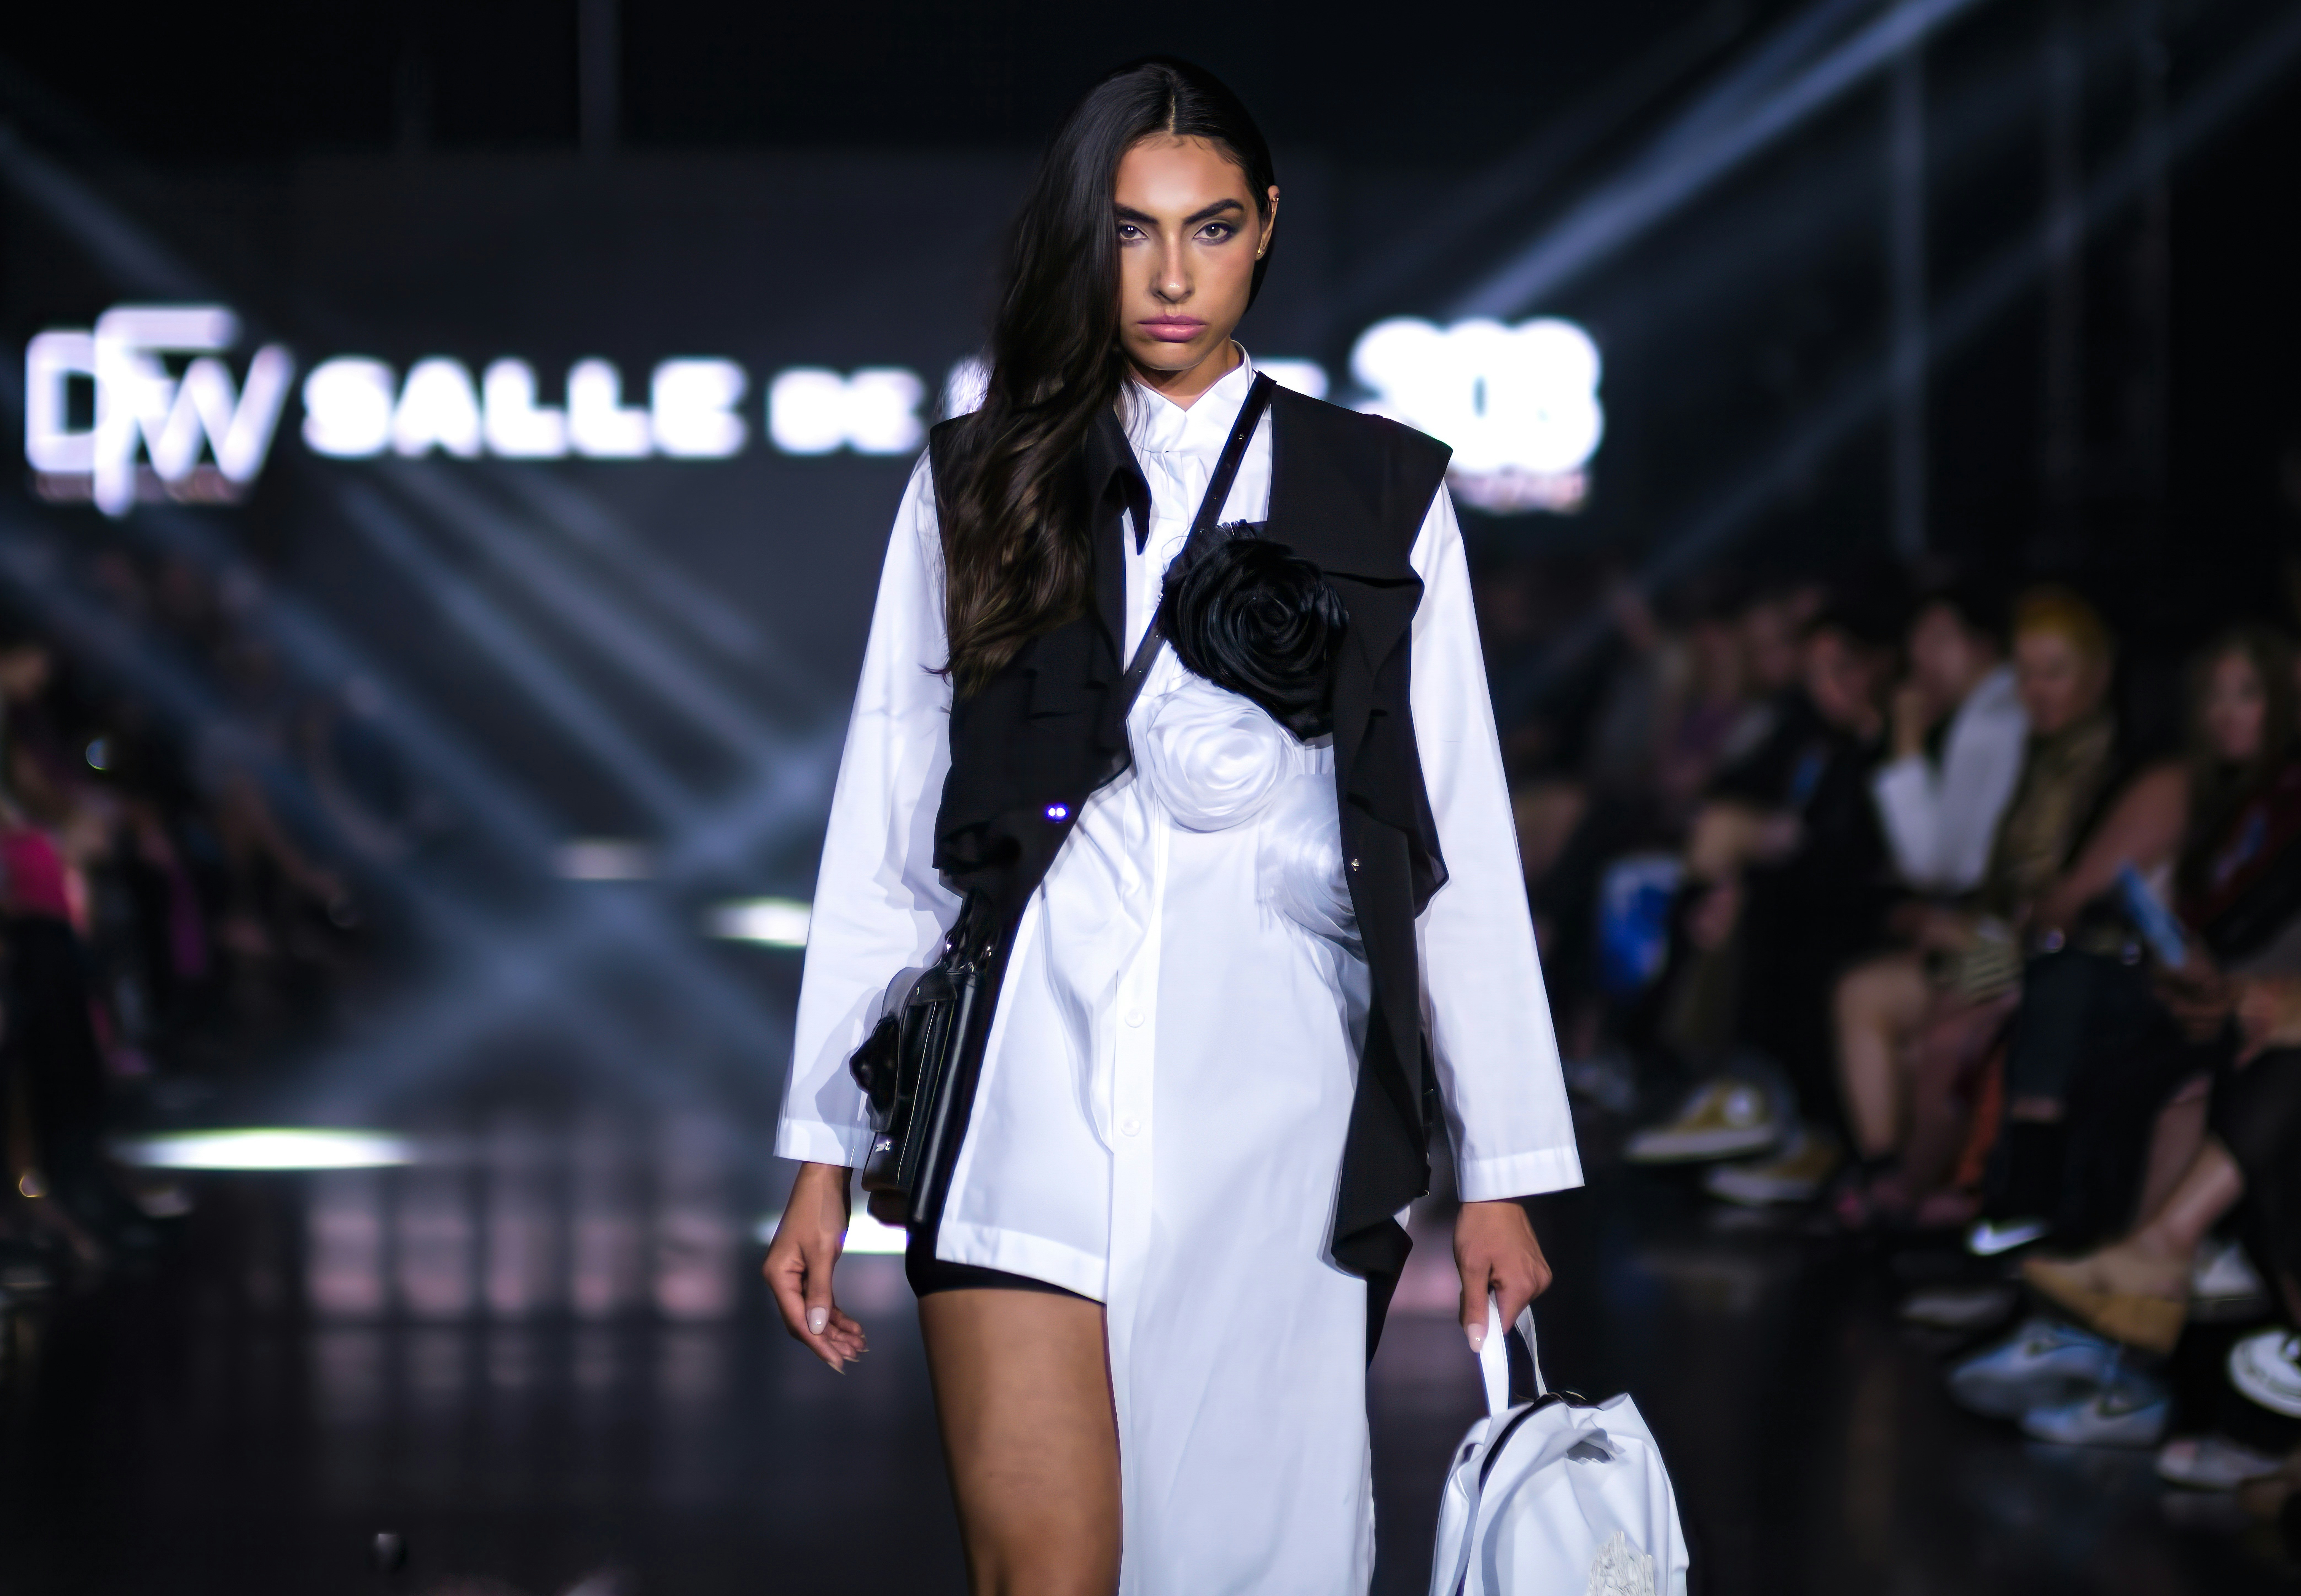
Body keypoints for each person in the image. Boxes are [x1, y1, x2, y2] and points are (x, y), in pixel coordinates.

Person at [763, 59, 1578, 1596]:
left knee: (1241, 1565)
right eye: (1131, 231)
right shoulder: (978, 479)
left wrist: (1501, 1165)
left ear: (1263, 227)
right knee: (1047, 1574)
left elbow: (1447, 841)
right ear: (1086, 240)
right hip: (1011, 1078)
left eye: (1206, 228)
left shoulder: (1375, 492)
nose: (1168, 273)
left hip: (1267, 1096)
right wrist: (818, 1147)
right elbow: (883, 833)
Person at [1869, 582, 2026, 897]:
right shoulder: (1989, 709)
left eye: (1938, 641)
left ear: (1984, 643)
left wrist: (1906, 742)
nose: (1923, 660)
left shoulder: (1990, 719)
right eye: (1916, 648)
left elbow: (1934, 867)